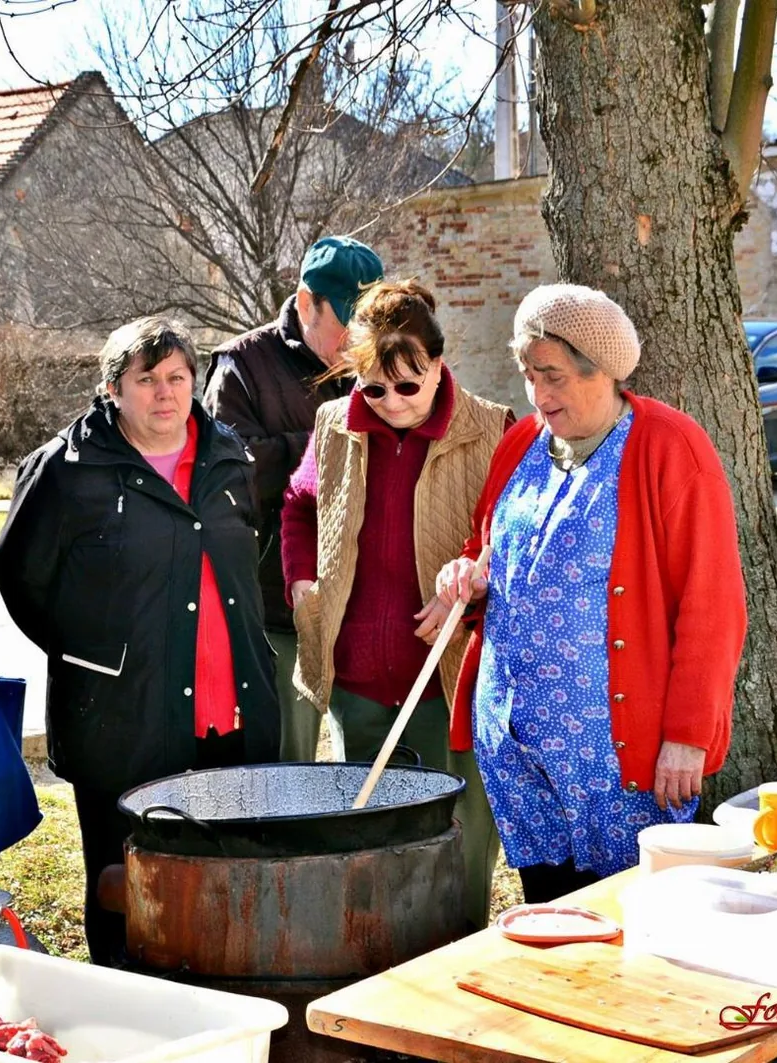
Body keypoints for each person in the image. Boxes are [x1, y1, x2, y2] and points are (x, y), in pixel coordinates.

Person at [432, 284, 747, 905]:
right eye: (528, 375)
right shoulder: (522, 443)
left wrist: (689, 733)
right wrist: (465, 574)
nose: (538, 394)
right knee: (547, 906)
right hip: (515, 738)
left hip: (615, 752)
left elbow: (714, 603)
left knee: (630, 912)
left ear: (600, 370)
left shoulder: (669, 447)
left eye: (551, 375)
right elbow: (490, 547)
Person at [0, 316, 277, 967]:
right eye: (145, 379)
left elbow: (248, 555)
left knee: (222, 879)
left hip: (229, 710)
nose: (164, 393)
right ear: (112, 388)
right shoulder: (68, 467)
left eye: (177, 376)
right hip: (123, 718)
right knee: (127, 885)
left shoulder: (229, 455)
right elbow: (19, 575)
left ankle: (214, 1008)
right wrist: (95, 657)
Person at [281, 280, 512, 929]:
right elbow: (299, 505)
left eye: (408, 385)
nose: (390, 403)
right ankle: (378, 972)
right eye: (373, 388)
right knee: (370, 847)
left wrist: (472, 585)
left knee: (454, 847)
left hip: (451, 682)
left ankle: (454, 963)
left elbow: (515, 543)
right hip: (358, 681)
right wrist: (302, 581)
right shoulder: (334, 424)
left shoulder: (494, 428)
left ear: (439, 363)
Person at [204, 235, 384, 761]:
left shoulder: (378, 365)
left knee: (368, 767)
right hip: (278, 608)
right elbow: (230, 481)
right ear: (307, 303)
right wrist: (328, 444)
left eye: (371, 326)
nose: (360, 343)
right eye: (348, 325)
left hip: (362, 602)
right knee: (289, 764)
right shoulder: (240, 365)